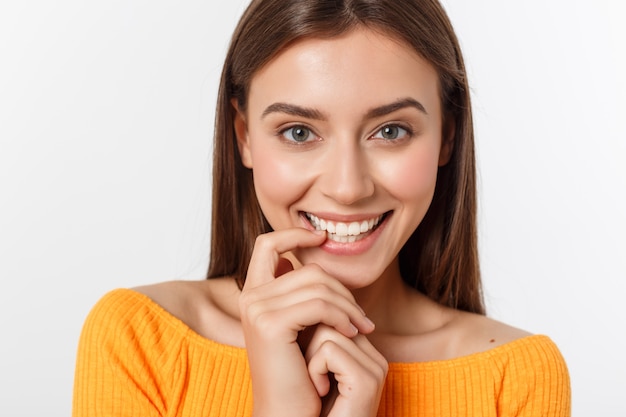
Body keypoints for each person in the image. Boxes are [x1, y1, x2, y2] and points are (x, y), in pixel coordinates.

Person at [72, 0, 571, 416]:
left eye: (391, 131)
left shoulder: (515, 378)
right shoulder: (140, 342)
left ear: (448, 136)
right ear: (244, 137)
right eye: (299, 132)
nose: (348, 187)